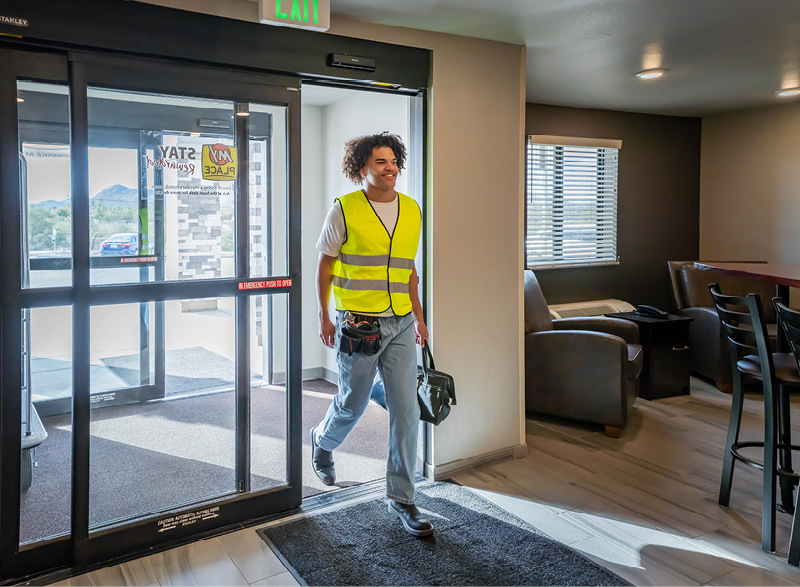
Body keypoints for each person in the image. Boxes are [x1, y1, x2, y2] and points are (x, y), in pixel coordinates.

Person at [310, 132, 432, 537]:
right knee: (352, 403)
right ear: (361, 168)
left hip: (401, 323)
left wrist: (419, 314)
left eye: (393, 159)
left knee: (406, 409)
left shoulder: (412, 210)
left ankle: (403, 498)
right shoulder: (345, 209)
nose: (390, 167)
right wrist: (325, 317)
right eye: (380, 161)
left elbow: (409, 270)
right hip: (358, 323)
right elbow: (325, 266)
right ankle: (323, 441)